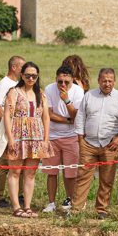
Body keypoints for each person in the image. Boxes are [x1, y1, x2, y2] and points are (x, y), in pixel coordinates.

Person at [72, 68, 118, 219]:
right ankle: (76, 209)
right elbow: (80, 117)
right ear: (98, 81)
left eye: (110, 81)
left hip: (110, 144)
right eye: (104, 80)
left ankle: (102, 210)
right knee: (82, 177)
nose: (107, 84)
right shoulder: (89, 96)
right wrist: (80, 139)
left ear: (114, 81)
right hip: (89, 143)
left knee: (107, 178)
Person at [2, 61, 51, 218]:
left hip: (35, 136)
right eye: (28, 75)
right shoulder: (14, 92)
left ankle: (28, 206)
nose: (31, 78)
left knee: (30, 173)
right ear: (22, 75)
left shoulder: (41, 94)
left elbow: (46, 117)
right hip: (18, 135)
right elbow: (7, 116)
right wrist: (10, 139)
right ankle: (16, 207)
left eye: (34, 76)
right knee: (15, 171)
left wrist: (45, 139)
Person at [42, 65, 84, 213]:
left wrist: (67, 100)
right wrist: (66, 120)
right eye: (60, 82)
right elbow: (48, 114)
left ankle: (69, 200)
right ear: (56, 79)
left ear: (73, 79)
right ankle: (51, 202)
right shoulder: (49, 89)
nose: (63, 85)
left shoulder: (78, 91)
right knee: (51, 172)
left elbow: (77, 116)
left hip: (71, 137)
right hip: (52, 136)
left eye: (66, 82)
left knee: (70, 172)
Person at [0, 55, 25, 209]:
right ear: (14, 67)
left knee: (20, 163)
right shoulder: (5, 84)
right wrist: (7, 128)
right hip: (9, 131)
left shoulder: (19, 84)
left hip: (20, 131)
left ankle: (20, 194)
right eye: (21, 67)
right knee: (5, 163)